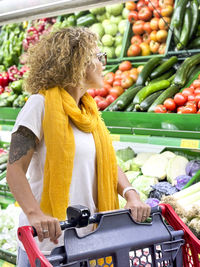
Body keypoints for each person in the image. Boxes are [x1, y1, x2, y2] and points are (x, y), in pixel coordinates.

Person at [6, 27, 151, 267]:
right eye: (98, 56)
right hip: (48, 245)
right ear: (78, 62)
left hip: (89, 241)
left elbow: (106, 165)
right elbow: (14, 169)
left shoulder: (89, 113)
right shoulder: (39, 105)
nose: (103, 63)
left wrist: (130, 194)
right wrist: (35, 214)